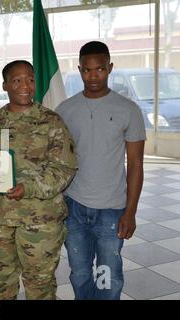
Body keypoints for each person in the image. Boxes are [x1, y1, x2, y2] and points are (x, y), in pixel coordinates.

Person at [0, 60, 77, 300]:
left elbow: (65, 168)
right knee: (0, 285)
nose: (26, 85)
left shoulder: (52, 122)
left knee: (39, 286)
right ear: (5, 85)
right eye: (17, 80)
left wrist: (28, 187)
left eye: (30, 79)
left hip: (40, 222)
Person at [56, 41, 145, 300]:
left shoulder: (129, 110)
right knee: (79, 273)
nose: (93, 76)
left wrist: (130, 211)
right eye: (86, 70)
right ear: (79, 69)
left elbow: (136, 164)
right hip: (73, 207)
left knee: (108, 275)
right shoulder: (65, 110)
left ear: (110, 68)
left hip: (112, 209)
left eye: (100, 69)